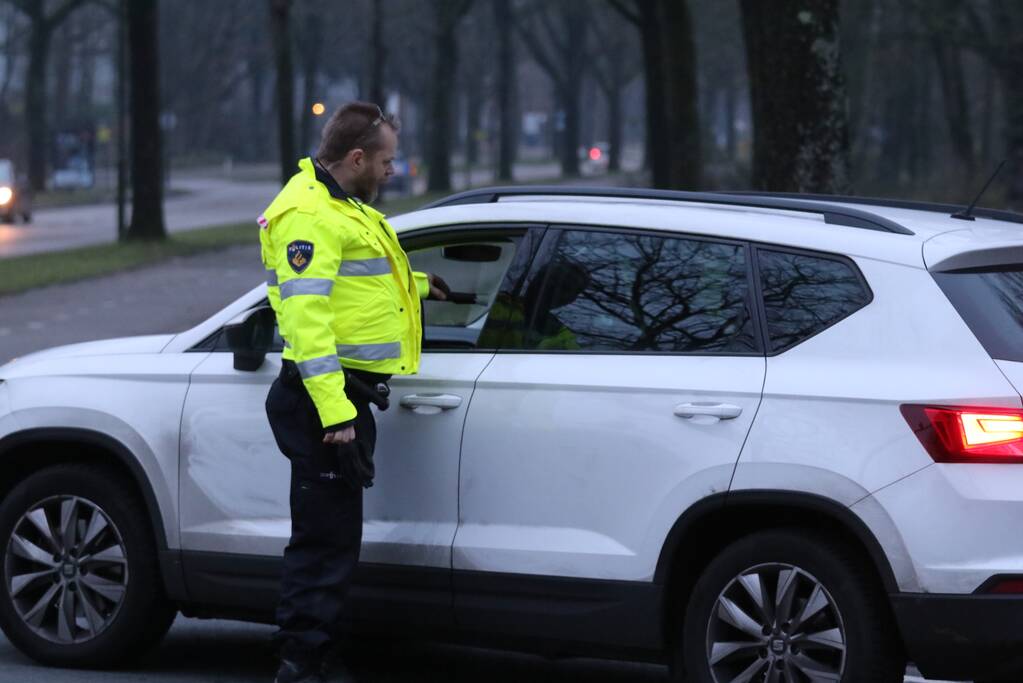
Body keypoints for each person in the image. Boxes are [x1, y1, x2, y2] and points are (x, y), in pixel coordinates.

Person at [258, 101, 447, 683]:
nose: (395, 169)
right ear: (358, 157)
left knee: (333, 536)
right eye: (387, 160)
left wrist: (416, 285)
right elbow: (308, 323)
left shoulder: (341, 205)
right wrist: (336, 415)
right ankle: (302, 663)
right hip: (323, 398)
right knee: (322, 541)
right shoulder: (310, 214)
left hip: (341, 397)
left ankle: (314, 654)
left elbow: (352, 278)